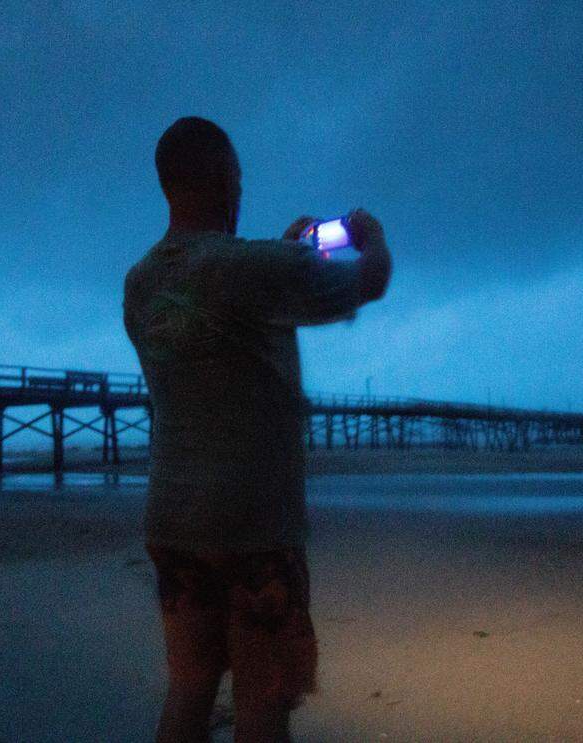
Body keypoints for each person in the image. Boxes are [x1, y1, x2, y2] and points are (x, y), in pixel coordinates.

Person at [123, 116, 391, 742]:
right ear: (223, 177)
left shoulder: (138, 284)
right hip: (251, 529)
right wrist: (371, 237)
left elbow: (217, 315)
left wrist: (279, 253)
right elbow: (369, 281)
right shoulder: (252, 269)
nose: (240, 188)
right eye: (238, 175)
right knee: (263, 702)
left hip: (173, 519)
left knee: (189, 685)